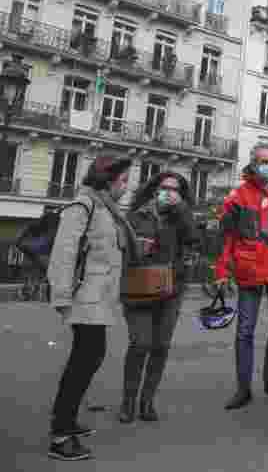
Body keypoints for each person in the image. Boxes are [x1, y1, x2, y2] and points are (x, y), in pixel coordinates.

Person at [47, 155, 134, 461]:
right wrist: (60, 296)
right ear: (106, 181)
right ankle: (60, 434)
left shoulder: (106, 209)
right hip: (85, 297)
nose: (126, 187)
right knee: (84, 361)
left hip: (99, 297)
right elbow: (64, 253)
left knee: (88, 358)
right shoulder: (83, 206)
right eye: (123, 181)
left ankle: (66, 422)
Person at [215, 143, 268, 410]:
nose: (267, 165)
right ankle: (243, 388)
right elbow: (227, 237)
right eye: (262, 160)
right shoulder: (238, 196)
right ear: (252, 163)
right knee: (245, 331)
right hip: (248, 269)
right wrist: (222, 271)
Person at [119, 172, 199, 424]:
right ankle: (128, 401)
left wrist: (183, 212)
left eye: (175, 190)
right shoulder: (136, 215)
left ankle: (147, 401)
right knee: (140, 343)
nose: (168, 192)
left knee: (161, 346)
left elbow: (195, 242)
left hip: (171, 289)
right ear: (154, 189)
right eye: (164, 187)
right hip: (139, 287)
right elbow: (124, 249)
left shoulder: (182, 219)